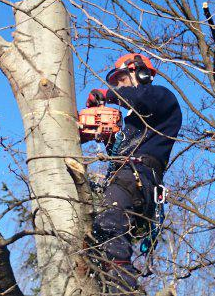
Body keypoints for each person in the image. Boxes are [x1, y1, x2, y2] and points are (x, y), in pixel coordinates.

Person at [85, 53, 182, 293]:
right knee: (99, 241)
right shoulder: (134, 121)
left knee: (109, 225)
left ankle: (122, 290)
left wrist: (106, 95)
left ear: (138, 72)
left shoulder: (160, 96)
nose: (117, 85)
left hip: (138, 174)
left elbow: (140, 99)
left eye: (120, 79)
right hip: (127, 175)